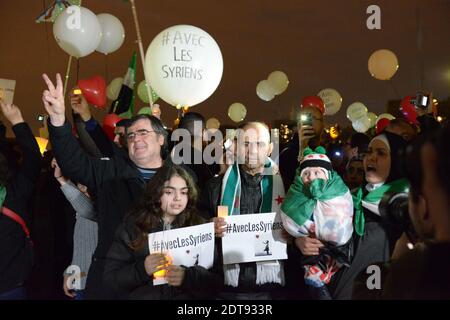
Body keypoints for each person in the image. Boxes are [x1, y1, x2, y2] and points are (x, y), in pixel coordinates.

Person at [41, 73, 167, 299]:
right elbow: (75, 164)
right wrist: (59, 120)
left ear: (161, 139)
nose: (136, 138)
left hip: (160, 285)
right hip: (112, 283)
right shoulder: (112, 172)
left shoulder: (179, 178)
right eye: (130, 136)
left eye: (143, 132)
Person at [353, 125, 450, 299]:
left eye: (381, 153)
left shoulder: (415, 269)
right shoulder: (351, 197)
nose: (371, 158)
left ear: (423, 206)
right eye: (368, 152)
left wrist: (399, 264)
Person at [103, 164, 221, 299]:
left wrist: (188, 277)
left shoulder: (200, 226)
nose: (177, 198)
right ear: (157, 193)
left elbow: (217, 282)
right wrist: (142, 269)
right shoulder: (133, 227)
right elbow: (110, 281)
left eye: (183, 192)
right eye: (169, 192)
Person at [201, 122, 287, 300]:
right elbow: (194, 223)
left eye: (260, 144)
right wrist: (208, 226)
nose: (253, 151)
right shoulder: (214, 187)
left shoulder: (287, 187)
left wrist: (294, 235)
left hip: (270, 287)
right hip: (226, 287)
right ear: (236, 147)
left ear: (270, 148)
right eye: (246, 144)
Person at [281, 147, 354, 299]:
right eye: (306, 174)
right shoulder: (295, 195)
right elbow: (289, 220)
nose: (311, 177)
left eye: (317, 173)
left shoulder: (340, 193)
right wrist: (297, 240)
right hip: (308, 259)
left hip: (343, 265)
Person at [0, 100, 41, 300]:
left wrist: (17, 121)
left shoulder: (13, 195)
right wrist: (16, 121)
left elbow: (33, 159)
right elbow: (33, 158)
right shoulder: (14, 195)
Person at [52, 159, 98, 300]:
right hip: (80, 282)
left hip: (95, 285)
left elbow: (86, 208)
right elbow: (82, 251)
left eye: (83, 185)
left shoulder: (98, 209)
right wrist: (70, 271)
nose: (80, 187)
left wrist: (61, 178)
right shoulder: (81, 213)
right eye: (79, 184)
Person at [279, 96, 325, 190]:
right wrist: (302, 148)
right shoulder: (287, 152)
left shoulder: (325, 152)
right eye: (306, 118)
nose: (310, 122)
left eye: (314, 118)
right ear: (299, 123)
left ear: (322, 125)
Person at [171, 112, 220, 190]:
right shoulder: (199, 161)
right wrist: (222, 172)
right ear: (203, 132)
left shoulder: (172, 154)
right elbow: (209, 190)